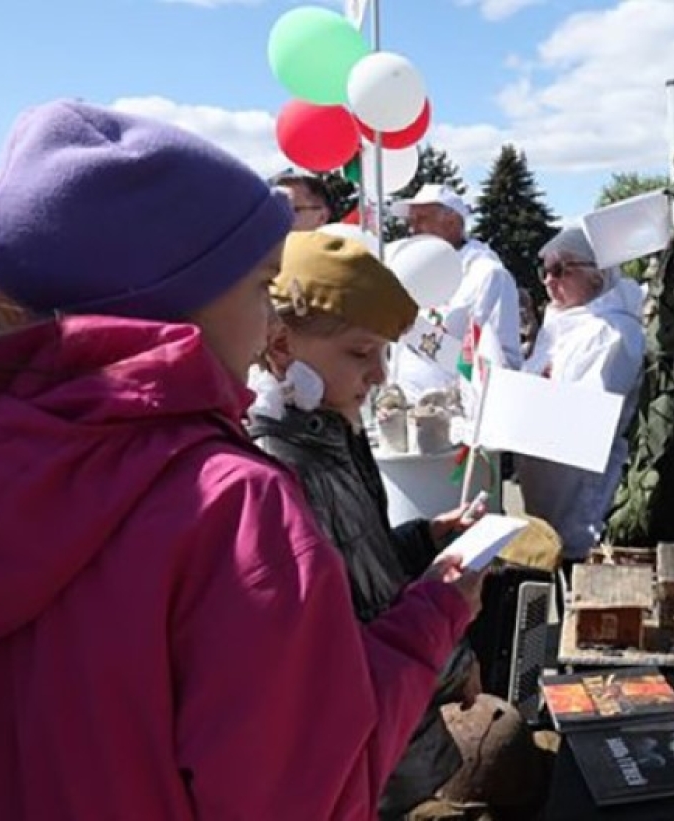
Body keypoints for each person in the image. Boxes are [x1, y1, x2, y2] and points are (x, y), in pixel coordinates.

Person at [0, 99, 484, 821]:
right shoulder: (230, 499)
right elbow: (306, 796)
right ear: (180, 294)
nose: (271, 321)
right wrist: (432, 618)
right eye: (262, 285)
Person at [248, 231, 486, 819]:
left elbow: (362, 563)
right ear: (280, 347)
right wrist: (453, 659)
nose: (380, 375)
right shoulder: (284, 466)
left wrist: (421, 538)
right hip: (364, 769)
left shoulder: (331, 435)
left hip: (390, 752)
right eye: (361, 353)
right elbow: (345, 640)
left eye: (383, 353)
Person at [516, 226, 645, 560]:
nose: (548, 281)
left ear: (596, 276)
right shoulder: (561, 324)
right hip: (546, 491)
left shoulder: (611, 331)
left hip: (583, 504)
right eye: (544, 270)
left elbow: (588, 423)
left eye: (560, 270)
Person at [391, 184, 522, 369]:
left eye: (421, 219)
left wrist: (415, 333)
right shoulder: (415, 272)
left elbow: (499, 366)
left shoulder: (488, 276)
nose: (412, 230)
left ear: (452, 223)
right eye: (410, 222)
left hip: (453, 396)